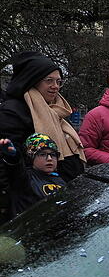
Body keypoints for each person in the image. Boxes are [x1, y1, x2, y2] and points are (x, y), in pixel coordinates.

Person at [0, 52, 86, 219]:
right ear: (33, 80)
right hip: (28, 205)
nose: (55, 86)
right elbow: (5, 164)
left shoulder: (55, 111)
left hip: (56, 197)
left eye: (58, 81)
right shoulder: (12, 112)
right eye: (49, 81)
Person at [0, 133, 66, 216]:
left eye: (53, 155)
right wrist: (12, 157)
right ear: (31, 157)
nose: (49, 159)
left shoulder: (60, 180)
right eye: (42, 154)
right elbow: (15, 169)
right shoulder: (26, 178)